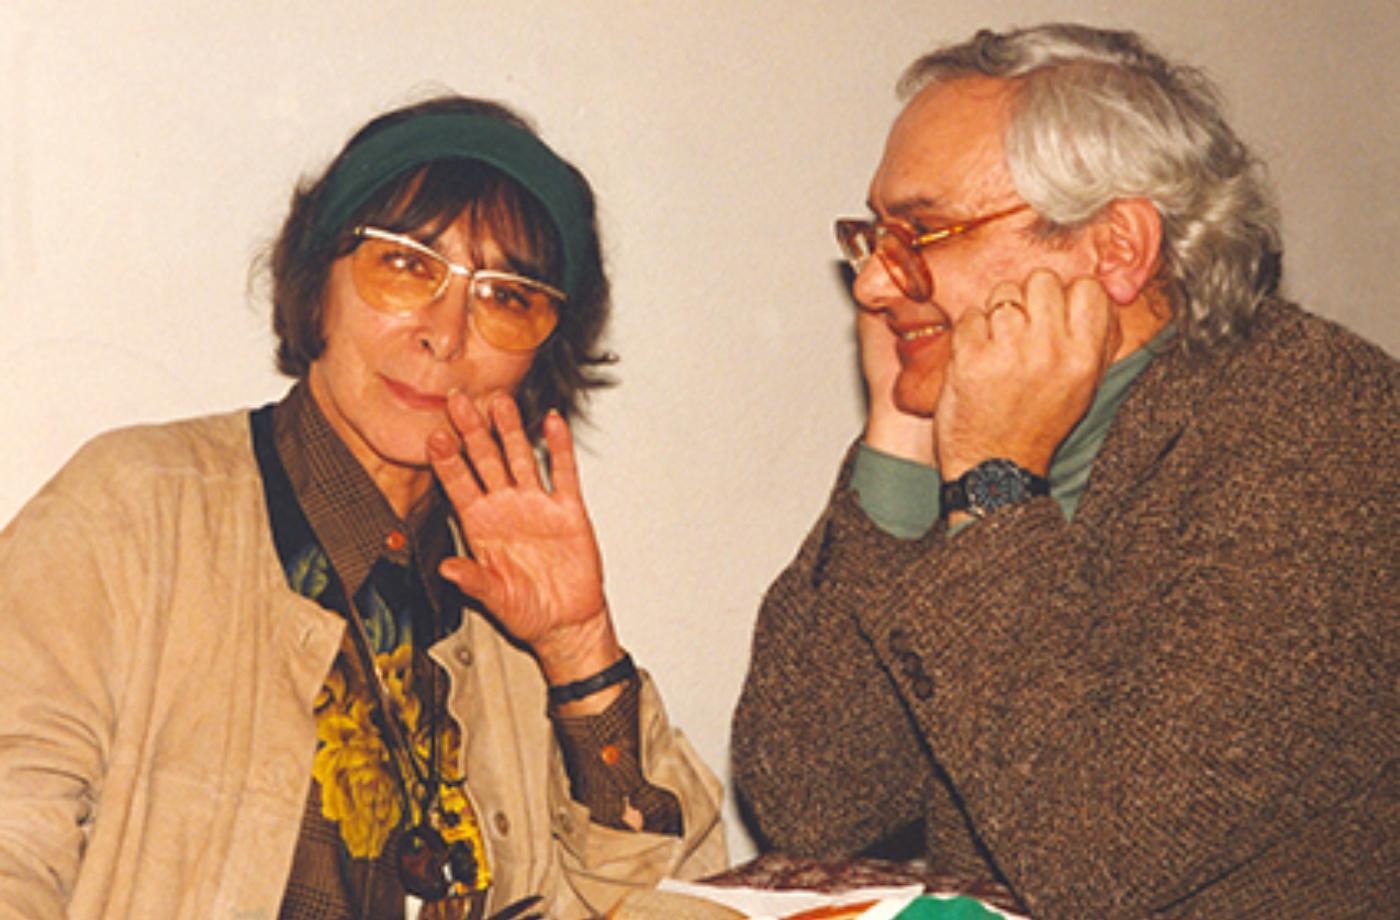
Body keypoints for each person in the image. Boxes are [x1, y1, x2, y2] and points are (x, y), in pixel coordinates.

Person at [0, 95, 725, 920]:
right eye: (406, 266)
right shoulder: (137, 508)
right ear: (319, 283)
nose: (446, 334)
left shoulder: (518, 603)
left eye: (506, 297)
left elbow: (689, 904)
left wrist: (579, 651)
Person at [732, 22, 1396, 919]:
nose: (874, 286)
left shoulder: (1325, 433)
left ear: (1115, 247)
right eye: (877, 238)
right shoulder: (977, 417)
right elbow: (812, 803)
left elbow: (1098, 858)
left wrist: (994, 483)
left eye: (922, 233)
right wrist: (898, 449)